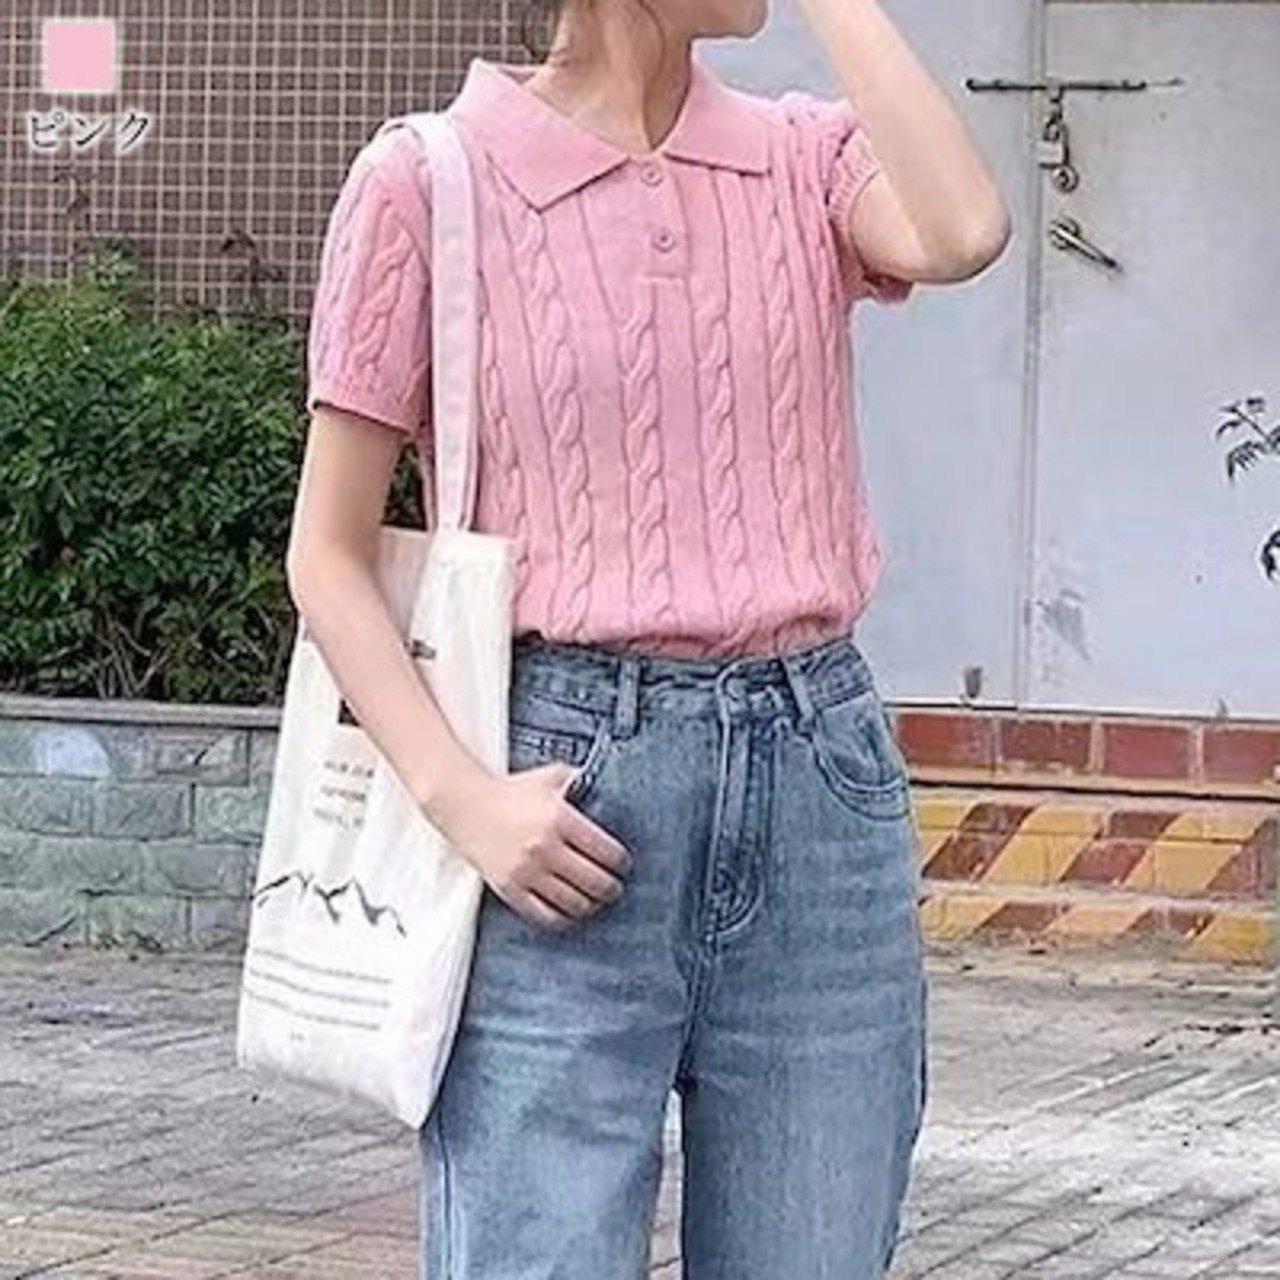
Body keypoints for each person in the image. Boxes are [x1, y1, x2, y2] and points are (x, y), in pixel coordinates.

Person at [291, 0, 1010, 1275]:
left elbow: (960, 231)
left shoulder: (802, 156)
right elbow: (327, 554)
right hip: (557, 798)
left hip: (817, 792)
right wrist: (462, 799)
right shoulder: (429, 180)